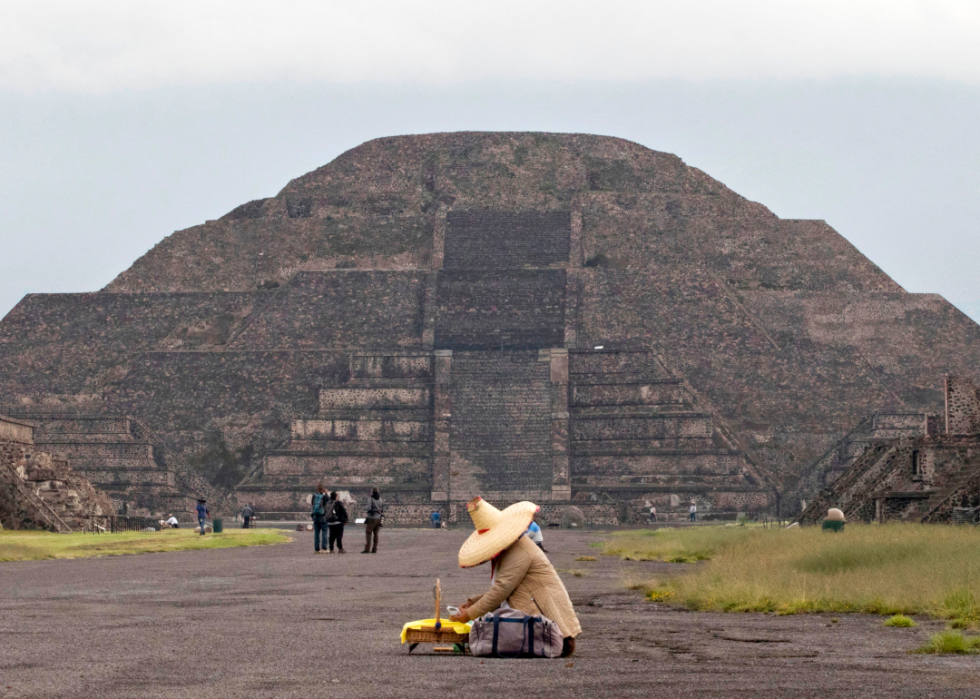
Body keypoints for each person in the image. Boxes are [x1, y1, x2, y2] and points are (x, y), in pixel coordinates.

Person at [450, 497, 581, 657]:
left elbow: (501, 590)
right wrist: (472, 602)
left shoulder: (519, 551)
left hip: (545, 623)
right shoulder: (512, 549)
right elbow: (504, 588)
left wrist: (470, 613)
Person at [363, 487, 383, 554]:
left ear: (372, 492)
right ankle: (374, 549)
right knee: (376, 534)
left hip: (372, 518)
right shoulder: (380, 499)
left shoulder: (371, 499)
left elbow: (368, 508)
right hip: (378, 518)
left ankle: (367, 549)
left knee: (368, 533)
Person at [311, 484, 329, 554]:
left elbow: (312, 504)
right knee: (324, 532)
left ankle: (316, 549)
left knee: (316, 534)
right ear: (323, 489)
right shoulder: (325, 496)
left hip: (315, 517)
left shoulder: (314, 496)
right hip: (323, 517)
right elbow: (329, 502)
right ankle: (324, 548)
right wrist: (326, 493)